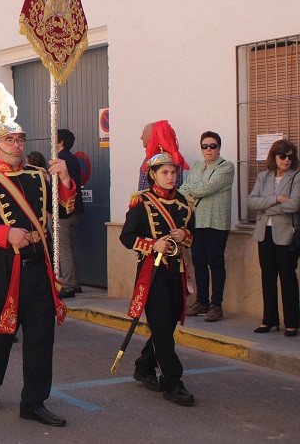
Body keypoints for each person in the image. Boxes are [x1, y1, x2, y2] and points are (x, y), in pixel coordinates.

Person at [0, 82, 75, 426]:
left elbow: (65, 211)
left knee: (41, 339)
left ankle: (34, 401)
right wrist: (5, 233)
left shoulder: (41, 176)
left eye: (21, 140)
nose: (17, 145)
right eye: (9, 140)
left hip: (37, 270)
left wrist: (66, 178)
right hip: (2, 267)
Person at [120, 150, 195, 407]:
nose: (171, 177)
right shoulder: (141, 204)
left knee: (169, 323)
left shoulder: (185, 203)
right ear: (153, 175)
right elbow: (126, 237)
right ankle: (172, 381)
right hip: (153, 274)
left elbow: (191, 234)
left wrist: (184, 235)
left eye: (173, 172)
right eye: (165, 172)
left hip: (178, 272)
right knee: (162, 327)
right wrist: (153, 244)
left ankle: (144, 365)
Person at [180, 131, 235, 322]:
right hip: (197, 222)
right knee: (199, 263)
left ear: (219, 148)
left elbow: (206, 188)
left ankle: (216, 305)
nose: (208, 149)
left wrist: (195, 189)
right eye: (205, 146)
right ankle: (201, 301)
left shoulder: (226, 167)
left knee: (216, 263)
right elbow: (182, 189)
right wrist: (197, 188)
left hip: (216, 222)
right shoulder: (196, 166)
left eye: (213, 146)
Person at [247, 139, 300, 337]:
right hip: (264, 233)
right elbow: (252, 202)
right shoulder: (263, 176)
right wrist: (277, 199)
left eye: (290, 156)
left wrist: (267, 206)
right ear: (274, 156)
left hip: (286, 233)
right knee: (267, 277)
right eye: (282, 156)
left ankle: (292, 322)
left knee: (287, 278)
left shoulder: (296, 177)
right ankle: (269, 320)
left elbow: (294, 205)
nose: (286, 160)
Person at [56, 129, 84, 299]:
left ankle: (67, 286)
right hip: (76, 210)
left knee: (64, 249)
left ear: (60, 142)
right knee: (72, 248)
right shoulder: (73, 159)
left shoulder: (61, 160)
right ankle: (76, 283)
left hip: (63, 210)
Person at [139, 121, 186, 191]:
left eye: (143, 133)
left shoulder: (168, 159)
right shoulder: (149, 157)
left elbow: (174, 189)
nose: (141, 137)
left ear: (152, 135)